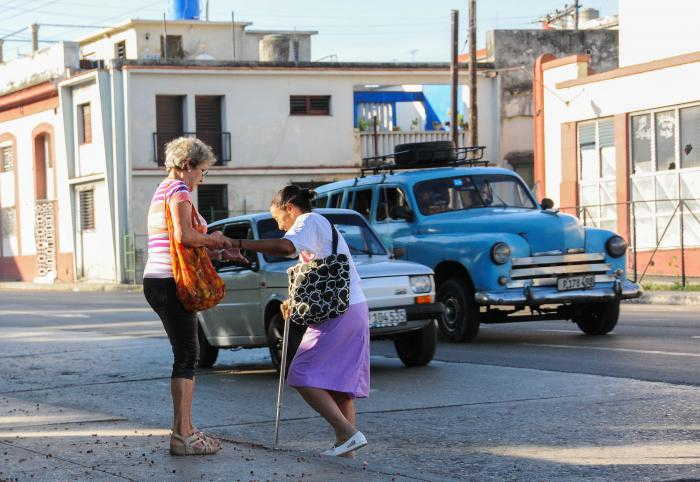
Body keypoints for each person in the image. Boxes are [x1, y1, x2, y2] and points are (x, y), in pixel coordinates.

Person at [227, 185, 370, 457]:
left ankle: (350, 434)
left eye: (279, 219)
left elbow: (284, 247)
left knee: (301, 373)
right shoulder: (320, 228)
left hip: (339, 313)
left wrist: (238, 242)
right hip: (353, 308)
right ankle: (347, 448)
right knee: (339, 386)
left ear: (290, 208)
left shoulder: (308, 220)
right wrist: (293, 300)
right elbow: (316, 275)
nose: (281, 227)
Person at [142, 137, 244, 456]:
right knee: (187, 354)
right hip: (169, 281)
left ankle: (183, 430)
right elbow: (184, 237)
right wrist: (215, 240)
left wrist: (220, 249)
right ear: (187, 166)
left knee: (187, 352)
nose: (202, 178)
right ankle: (182, 435)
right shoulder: (178, 191)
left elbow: (181, 244)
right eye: (202, 171)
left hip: (158, 280)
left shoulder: (163, 189)